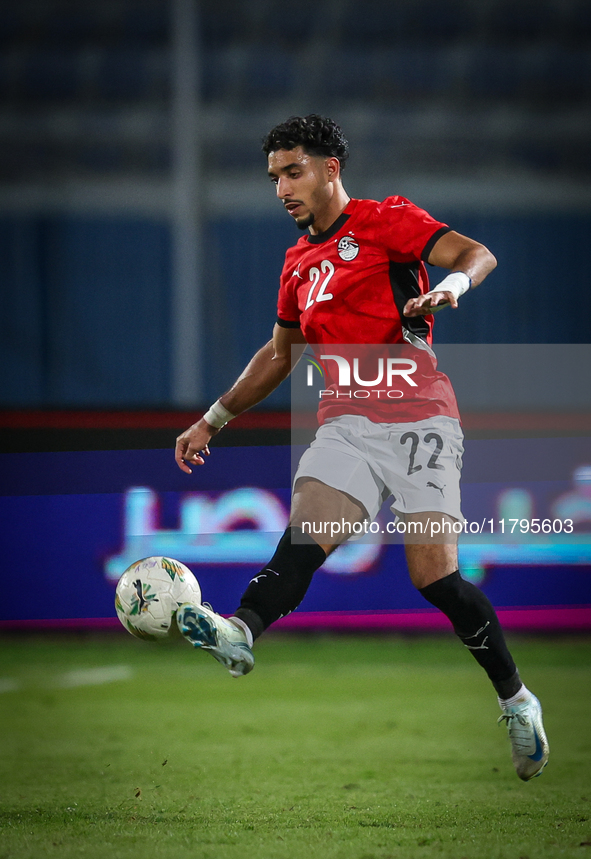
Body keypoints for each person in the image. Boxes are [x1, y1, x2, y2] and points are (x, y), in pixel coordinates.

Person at [174, 114, 548, 781]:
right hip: (344, 419)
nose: (282, 188)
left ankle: (516, 700)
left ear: (329, 170)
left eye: (293, 171)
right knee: (306, 534)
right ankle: (240, 631)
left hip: (420, 415)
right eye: (273, 177)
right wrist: (213, 418)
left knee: (435, 579)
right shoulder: (297, 263)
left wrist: (448, 287)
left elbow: (476, 253)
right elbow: (281, 352)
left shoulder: (385, 222)